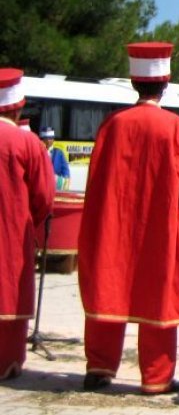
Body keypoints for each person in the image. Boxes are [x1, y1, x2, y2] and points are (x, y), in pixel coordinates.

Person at [78, 42, 179, 394]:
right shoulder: (174, 127)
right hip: (157, 226)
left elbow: (96, 178)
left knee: (109, 287)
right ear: (165, 85)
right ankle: (156, 376)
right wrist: (177, 206)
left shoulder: (112, 124)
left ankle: (99, 367)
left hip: (114, 225)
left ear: (135, 83)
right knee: (158, 293)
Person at [0, 68, 55, 380]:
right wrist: (31, 222)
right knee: (10, 290)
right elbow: (44, 195)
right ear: (17, 108)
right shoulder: (28, 144)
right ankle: (7, 360)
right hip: (11, 231)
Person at [39, 126, 70, 191]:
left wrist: (65, 184)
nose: (48, 141)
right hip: (41, 186)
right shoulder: (38, 152)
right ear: (43, 140)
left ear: (53, 139)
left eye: (50, 138)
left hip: (56, 187)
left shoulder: (59, 153)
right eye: (46, 138)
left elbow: (66, 171)